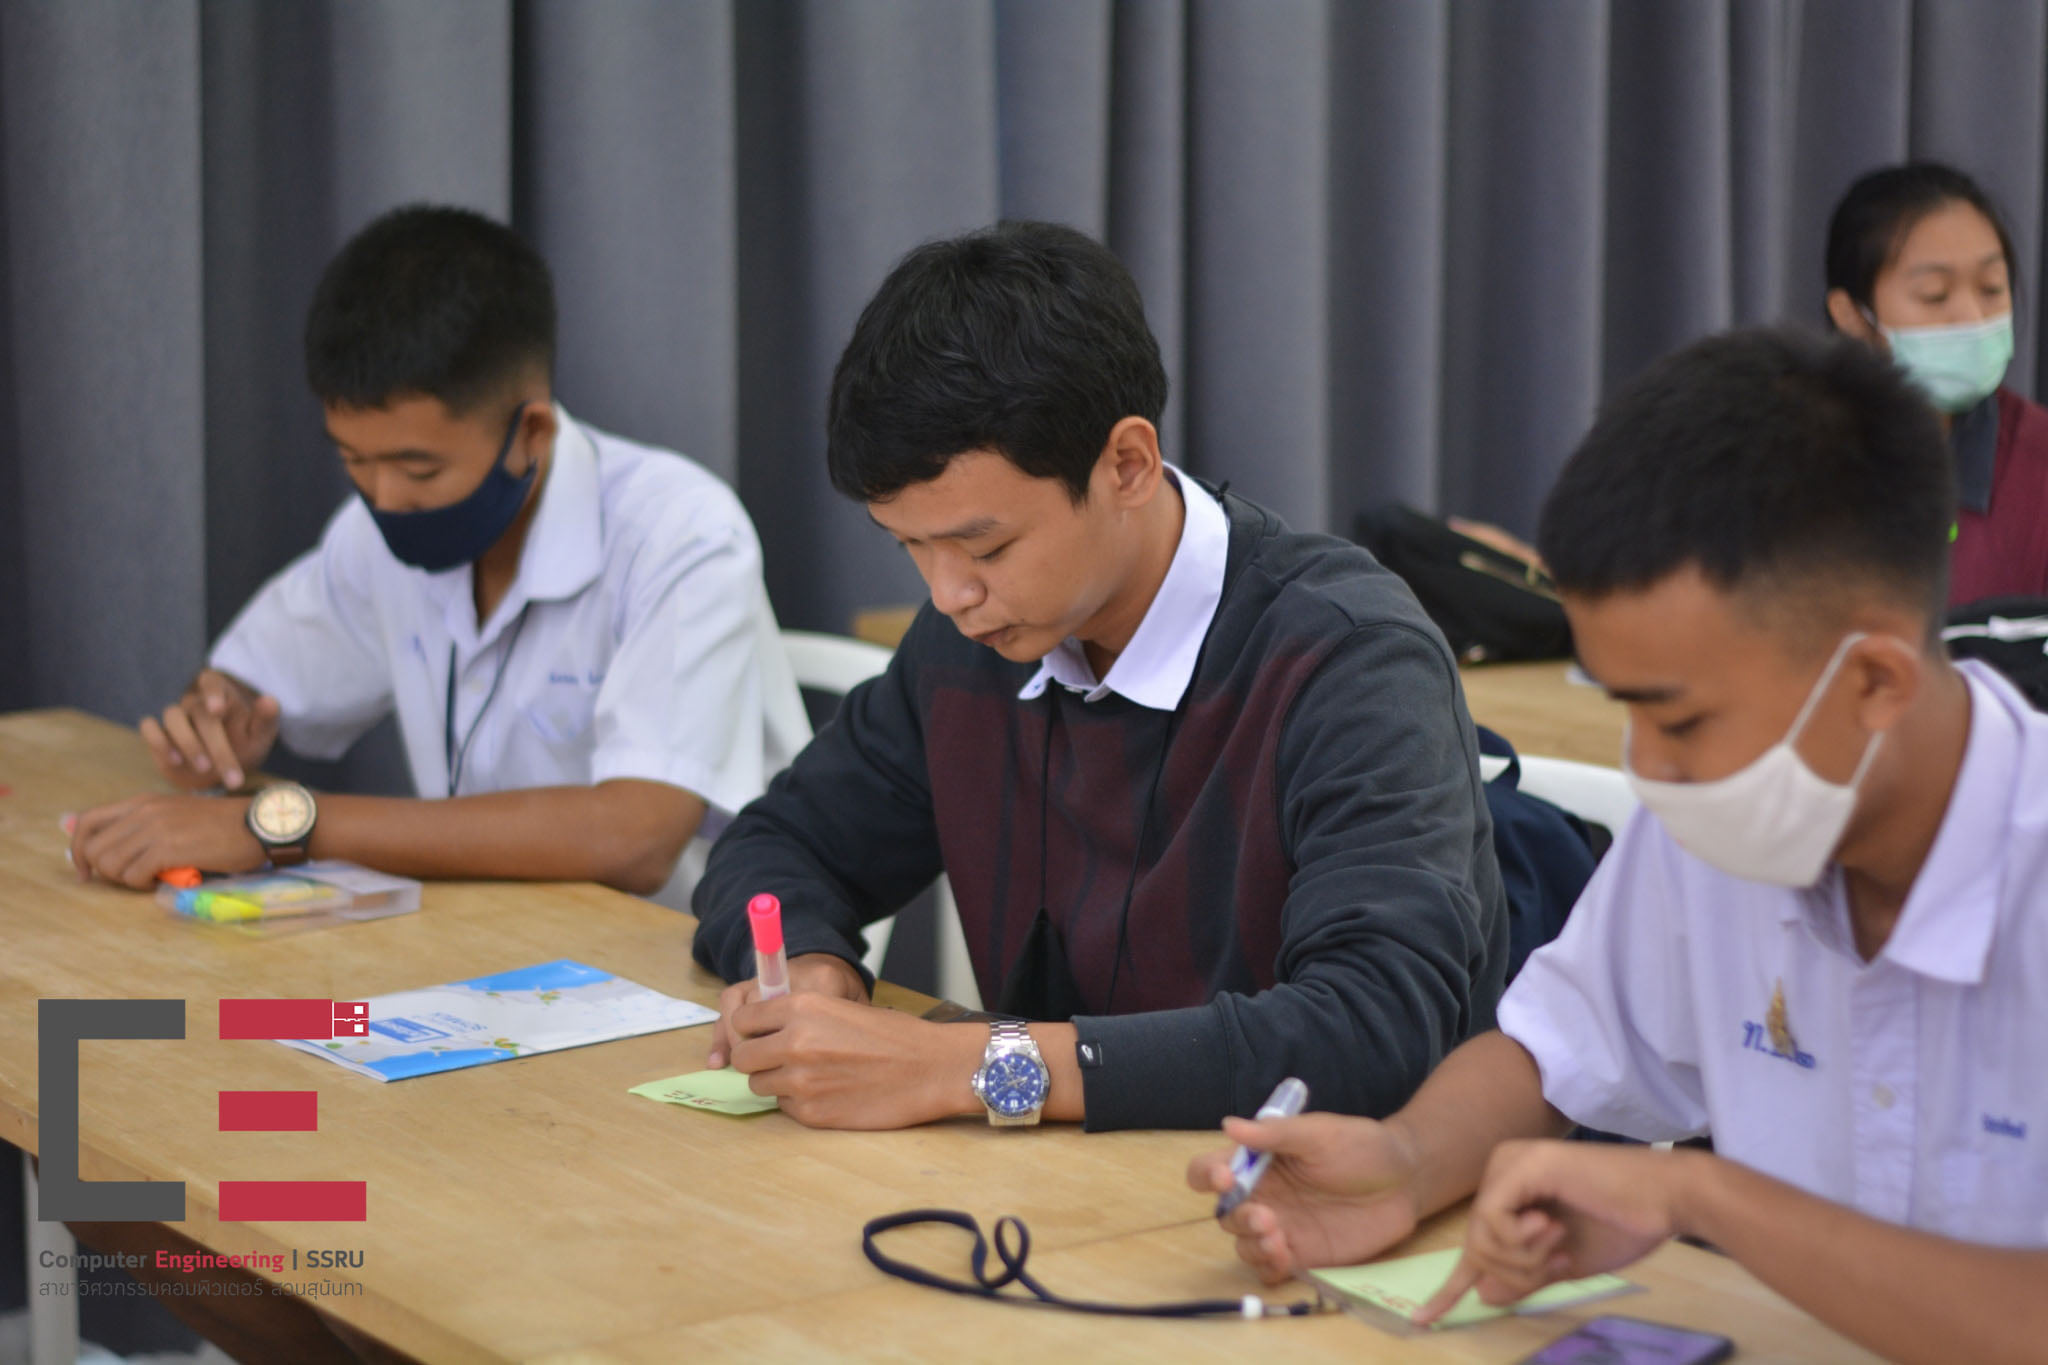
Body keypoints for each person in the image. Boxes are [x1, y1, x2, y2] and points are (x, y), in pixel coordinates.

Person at [1189, 327, 2048, 1365]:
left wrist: (1699, 1194)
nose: (1648, 765)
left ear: (1873, 682)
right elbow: (1556, 1053)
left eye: (1679, 719)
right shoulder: (1729, 824)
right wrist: (1406, 1162)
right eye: (1623, 709)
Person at [692, 220, 1507, 1132]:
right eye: (910, 546)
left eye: (985, 546)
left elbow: (1372, 1030)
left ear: (1126, 465)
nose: (950, 594)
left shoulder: (1347, 659)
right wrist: (809, 967)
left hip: (1300, 1187)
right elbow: (777, 844)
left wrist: (972, 1066)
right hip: (1060, 1183)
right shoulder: (974, 644)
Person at [67, 205, 806, 897]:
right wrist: (216, 718)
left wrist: (281, 826)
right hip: (493, 944)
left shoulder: (680, 532)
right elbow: (249, 679)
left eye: (419, 470)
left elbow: (633, 838)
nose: (385, 499)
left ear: (531, 433)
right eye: (354, 460)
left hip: (700, 960)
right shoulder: (374, 533)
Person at [1824, 161, 2048, 605]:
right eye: (1935, 295)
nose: (1971, 317)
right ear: (1852, 316)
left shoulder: (2037, 464)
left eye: (1991, 288)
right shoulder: (1785, 464)